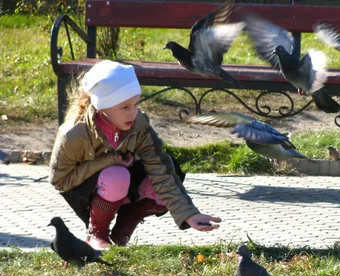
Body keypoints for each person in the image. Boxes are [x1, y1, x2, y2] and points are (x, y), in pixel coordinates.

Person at [49, 60, 221, 250]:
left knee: (170, 174)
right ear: (102, 106)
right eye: (124, 107)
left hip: (122, 189)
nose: (133, 113)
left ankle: (128, 218)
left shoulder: (139, 125)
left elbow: (161, 171)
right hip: (88, 194)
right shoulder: (74, 133)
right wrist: (107, 161)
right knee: (116, 175)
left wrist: (189, 214)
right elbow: (60, 180)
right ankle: (97, 233)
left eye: (135, 104)